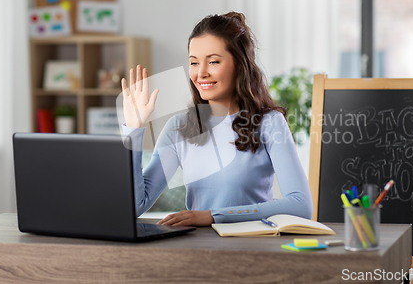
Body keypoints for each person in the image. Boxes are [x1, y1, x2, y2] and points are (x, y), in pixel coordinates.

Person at [121, 12, 312, 227]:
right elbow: (136, 205)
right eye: (194, 63)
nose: (201, 73)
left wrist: (213, 216)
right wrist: (134, 130)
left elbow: (300, 205)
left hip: (252, 246)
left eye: (213, 61)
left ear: (241, 65)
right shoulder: (178, 128)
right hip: (198, 248)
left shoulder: (270, 123)